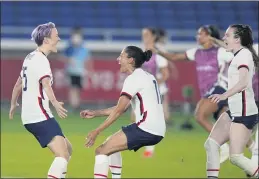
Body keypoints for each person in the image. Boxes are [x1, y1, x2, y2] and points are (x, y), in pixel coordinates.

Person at [80, 46, 166, 178]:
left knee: (101, 151)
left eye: (121, 56)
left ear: (131, 60)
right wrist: (95, 113)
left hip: (146, 128)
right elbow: (122, 108)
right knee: (111, 146)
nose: (118, 59)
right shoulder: (148, 76)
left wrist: (97, 131)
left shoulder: (133, 79)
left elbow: (119, 111)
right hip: (158, 129)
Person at [154, 25, 233, 163]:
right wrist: (158, 51)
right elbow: (173, 57)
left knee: (199, 115)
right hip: (207, 92)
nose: (198, 36)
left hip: (220, 89)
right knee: (225, 124)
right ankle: (250, 152)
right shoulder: (195, 52)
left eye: (201, 34)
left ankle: (224, 146)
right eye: (198, 34)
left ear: (210, 36)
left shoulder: (221, 52)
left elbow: (237, 52)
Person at [9, 22, 72, 179]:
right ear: (46, 40)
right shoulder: (42, 60)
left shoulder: (30, 57)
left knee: (68, 150)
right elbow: (45, 84)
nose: (58, 39)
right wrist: (55, 103)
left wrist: (12, 104)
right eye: (56, 36)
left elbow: (18, 84)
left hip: (30, 116)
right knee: (62, 155)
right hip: (39, 115)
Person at [205, 24, 259, 178]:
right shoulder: (240, 53)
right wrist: (216, 41)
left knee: (235, 157)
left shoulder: (243, 56)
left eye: (227, 35)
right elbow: (226, 46)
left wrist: (223, 95)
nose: (224, 38)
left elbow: (243, 83)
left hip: (244, 113)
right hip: (235, 111)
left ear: (237, 39)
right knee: (211, 144)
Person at [137, 27, 171, 157]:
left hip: (156, 91)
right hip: (142, 91)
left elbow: (165, 74)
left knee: (149, 120)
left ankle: (149, 150)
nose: (144, 37)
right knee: (139, 118)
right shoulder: (139, 51)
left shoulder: (158, 53)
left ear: (153, 37)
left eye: (147, 34)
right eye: (143, 34)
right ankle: (144, 146)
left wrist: (154, 84)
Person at [64, 27, 91, 111]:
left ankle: (77, 104)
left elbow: (87, 60)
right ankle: (73, 105)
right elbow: (64, 57)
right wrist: (69, 61)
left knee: (78, 88)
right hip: (71, 71)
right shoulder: (69, 48)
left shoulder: (83, 48)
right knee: (73, 88)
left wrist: (88, 71)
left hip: (80, 71)